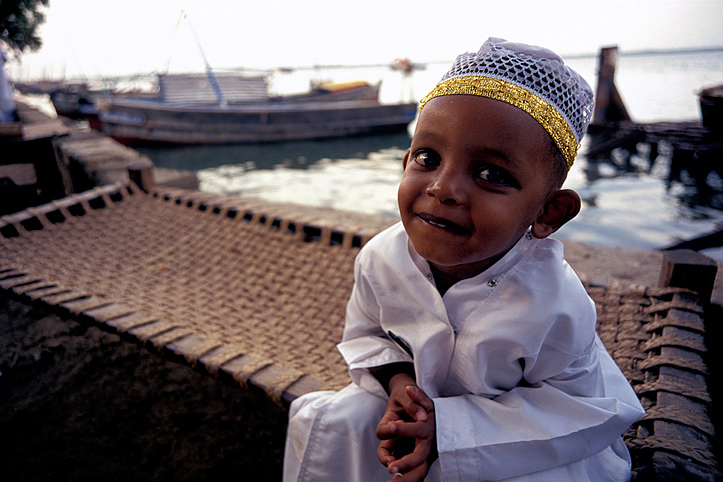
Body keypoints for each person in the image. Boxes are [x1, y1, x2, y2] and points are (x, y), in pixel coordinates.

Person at [283, 37, 645, 482]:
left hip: (516, 440)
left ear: (548, 212)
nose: (443, 188)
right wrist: (401, 388)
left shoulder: (555, 303)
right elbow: (368, 335)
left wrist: (450, 433)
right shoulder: (381, 259)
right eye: (428, 157)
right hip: (422, 406)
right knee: (336, 422)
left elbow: (579, 412)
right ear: (404, 163)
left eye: (491, 175)